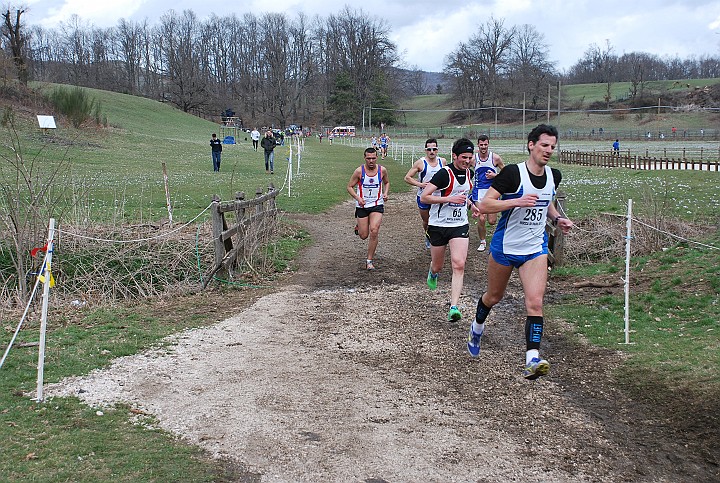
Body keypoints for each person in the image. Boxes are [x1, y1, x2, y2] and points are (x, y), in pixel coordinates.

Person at [467, 124, 573, 381]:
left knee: (535, 303)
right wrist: (516, 201)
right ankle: (477, 327)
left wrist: (558, 218)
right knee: (494, 296)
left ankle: (532, 359)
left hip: (535, 248)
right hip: (506, 247)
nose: (548, 150)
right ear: (531, 145)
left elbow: (546, 201)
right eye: (544, 145)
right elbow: (485, 203)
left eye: (552, 147)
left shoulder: (553, 176)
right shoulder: (513, 174)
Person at [420, 138, 475, 322]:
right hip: (438, 225)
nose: (467, 161)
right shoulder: (444, 174)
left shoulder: (470, 174)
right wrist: (448, 199)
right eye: (464, 157)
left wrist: (471, 205)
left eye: (470, 157)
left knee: (459, 264)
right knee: (438, 265)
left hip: (459, 225)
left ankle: (454, 307)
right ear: (454, 156)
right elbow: (425, 197)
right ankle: (433, 272)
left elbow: (464, 196)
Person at [347, 148, 389, 270]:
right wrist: (357, 198)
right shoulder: (359, 171)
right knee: (363, 235)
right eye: (368, 158)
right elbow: (349, 187)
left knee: (374, 230)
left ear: (377, 157)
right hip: (362, 205)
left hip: (377, 204)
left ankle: (369, 261)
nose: (371, 161)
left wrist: (385, 193)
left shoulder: (382, 170)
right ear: (364, 158)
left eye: (373, 158)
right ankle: (359, 226)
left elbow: (386, 183)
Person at [403, 138, 445, 249]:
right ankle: (428, 236)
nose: (432, 151)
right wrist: (420, 184)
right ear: (425, 150)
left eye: (434, 149)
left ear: (437, 150)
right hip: (423, 197)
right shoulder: (420, 163)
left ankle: (438, 239)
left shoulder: (443, 162)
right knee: (427, 220)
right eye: (429, 149)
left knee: (439, 219)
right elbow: (407, 178)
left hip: (438, 196)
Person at [471, 135, 504, 252]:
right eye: (481, 145)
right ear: (478, 145)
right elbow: (464, 168)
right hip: (478, 191)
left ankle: (492, 238)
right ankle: (482, 241)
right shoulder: (473, 159)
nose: (483, 147)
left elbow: (505, 173)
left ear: (488, 144)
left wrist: (495, 175)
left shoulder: (495, 158)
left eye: (485, 144)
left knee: (492, 221)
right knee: (481, 218)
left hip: (492, 192)